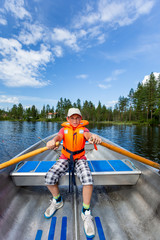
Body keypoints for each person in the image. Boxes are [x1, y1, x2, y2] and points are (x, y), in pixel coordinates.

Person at [44, 108, 101, 238]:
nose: (75, 120)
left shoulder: (84, 130)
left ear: (81, 119)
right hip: (65, 157)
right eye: (72, 118)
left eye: (77, 118)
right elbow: (58, 137)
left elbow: (89, 136)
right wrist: (53, 141)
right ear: (68, 119)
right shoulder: (63, 130)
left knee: (88, 180)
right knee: (49, 177)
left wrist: (94, 137)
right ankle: (57, 200)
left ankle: (86, 211)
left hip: (80, 158)